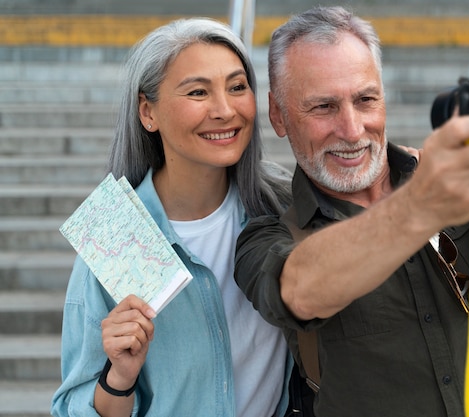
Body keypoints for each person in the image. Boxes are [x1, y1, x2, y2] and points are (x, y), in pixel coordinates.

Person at [234, 6, 469, 417]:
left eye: (365, 99)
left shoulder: (449, 175)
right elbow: (300, 291)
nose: (353, 129)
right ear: (277, 114)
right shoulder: (266, 235)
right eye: (323, 107)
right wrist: (421, 205)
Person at [51, 17, 295, 417]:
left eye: (237, 87)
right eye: (198, 92)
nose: (224, 110)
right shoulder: (114, 235)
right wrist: (119, 377)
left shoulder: (281, 207)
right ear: (148, 112)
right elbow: (71, 409)